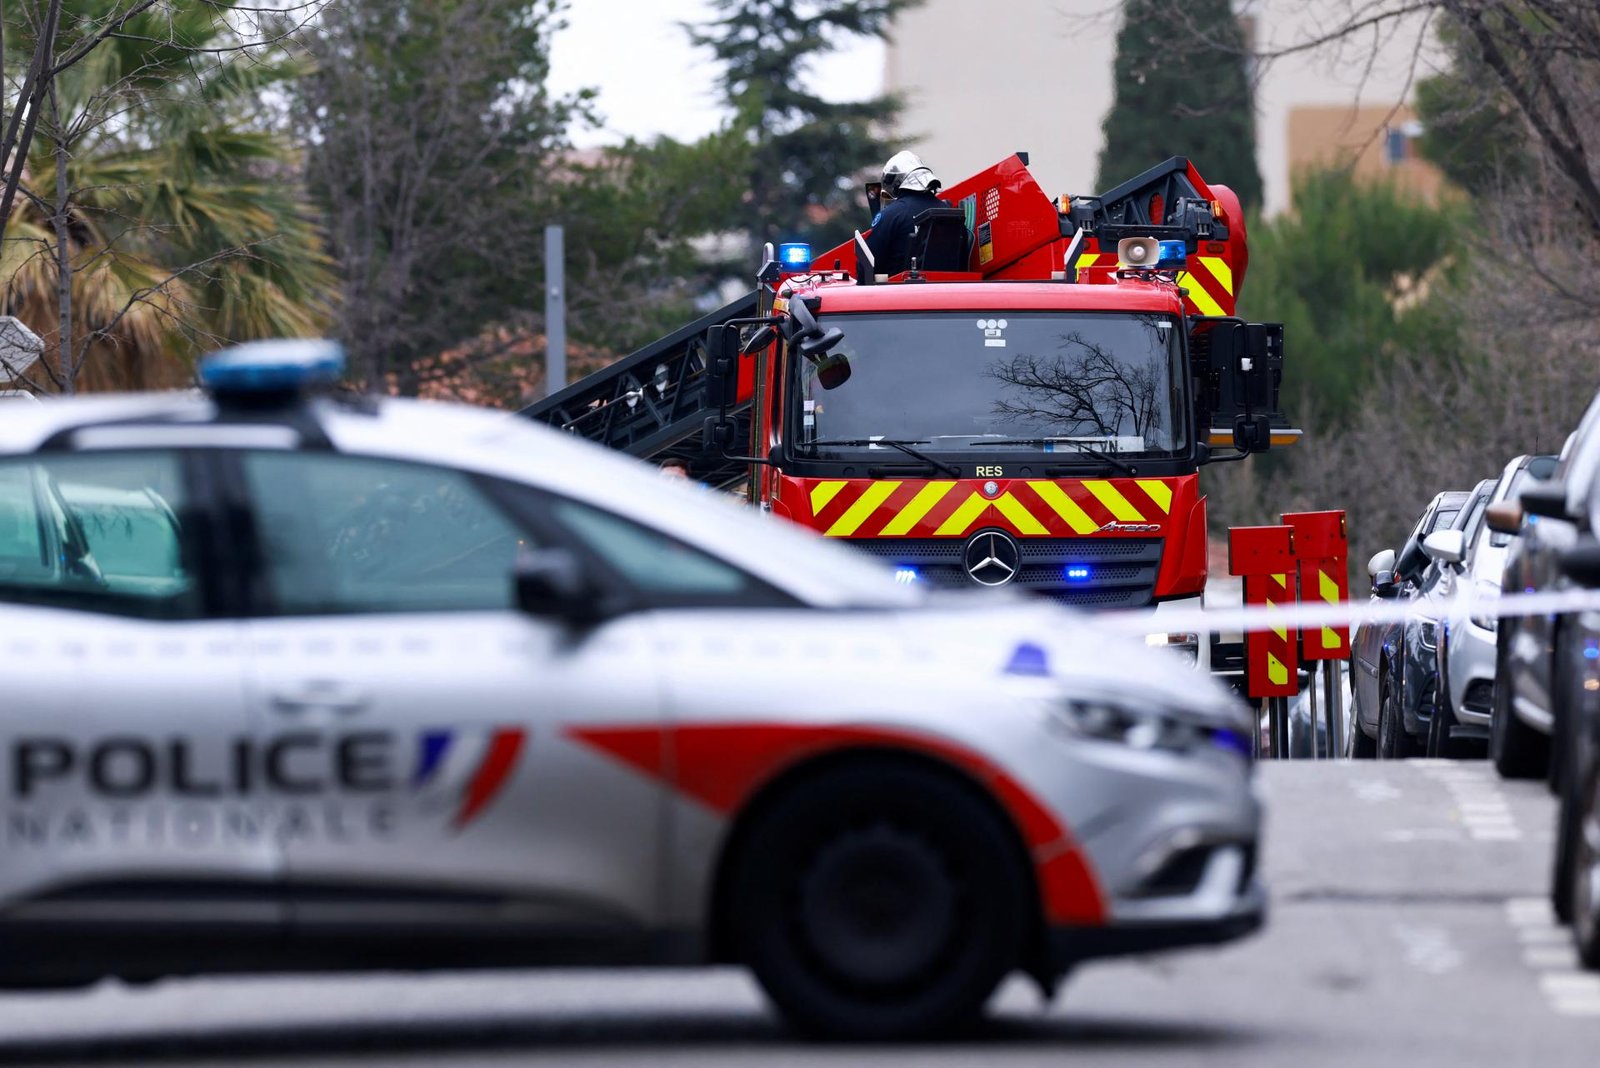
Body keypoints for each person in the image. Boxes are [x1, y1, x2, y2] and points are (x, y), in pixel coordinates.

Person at [865, 151, 945, 277]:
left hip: (900, 287)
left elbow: (869, 262)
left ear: (897, 181)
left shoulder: (891, 215)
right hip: (951, 287)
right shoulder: (948, 211)